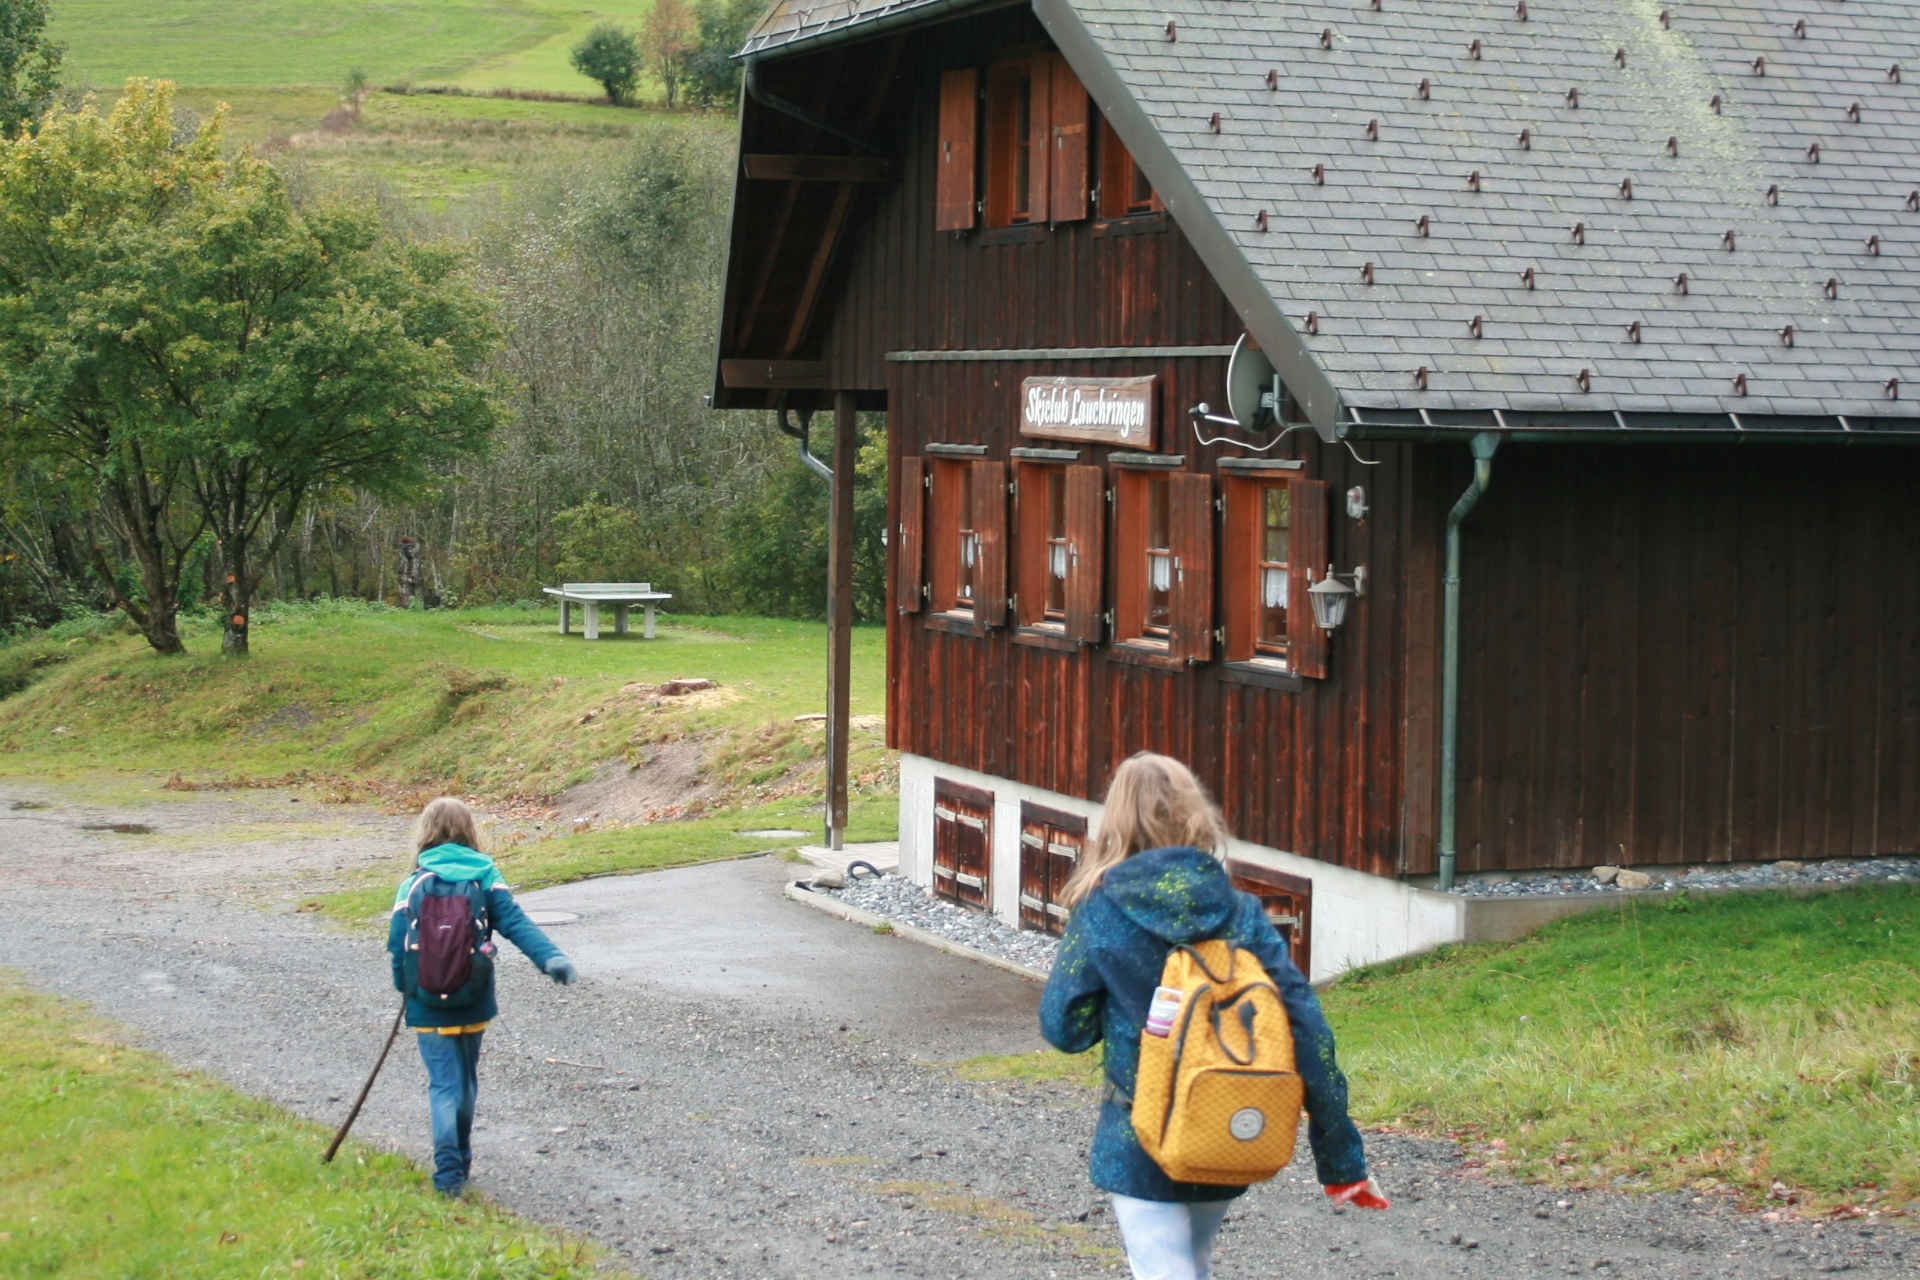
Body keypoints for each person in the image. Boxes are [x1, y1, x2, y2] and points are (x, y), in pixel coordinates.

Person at [1040, 752, 1387, 1279]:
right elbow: (1307, 1031)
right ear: (1194, 814)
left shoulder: (1101, 909)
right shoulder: (1240, 911)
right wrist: (1341, 1159)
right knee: (1192, 1263)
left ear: (1115, 820)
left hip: (1140, 1135)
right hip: (1226, 1121)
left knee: (1164, 1270)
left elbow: (1065, 1029)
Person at [388, 796, 576, 1196]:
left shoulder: (412, 882)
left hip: (425, 999)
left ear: (425, 832)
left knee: (443, 1085)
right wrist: (550, 958)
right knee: (465, 1080)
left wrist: (406, 990)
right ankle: (463, 1161)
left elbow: (395, 944)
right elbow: (515, 923)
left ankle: (448, 1175)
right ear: (470, 830)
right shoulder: (486, 874)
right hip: (473, 994)